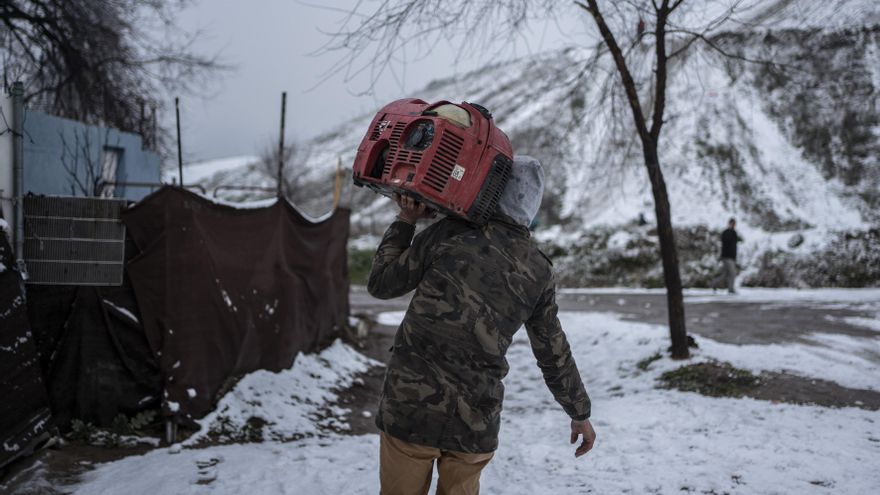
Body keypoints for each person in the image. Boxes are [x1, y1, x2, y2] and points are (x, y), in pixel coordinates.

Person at [368, 156, 595, 495]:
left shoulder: (449, 234)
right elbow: (552, 350)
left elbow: (382, 284)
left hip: (410, 408)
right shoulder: (537, 270)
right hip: (474, 422)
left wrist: (406, 220)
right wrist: (579, 412)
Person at [712, 217, 742, 294]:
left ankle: (714, 283)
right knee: (732, 273)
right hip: (727, 256)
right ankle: (730, 289)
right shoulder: (727, 232)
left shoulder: (733, 232)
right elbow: (726, 244)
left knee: (725, 273)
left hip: (730, 256)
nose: (734, 225)